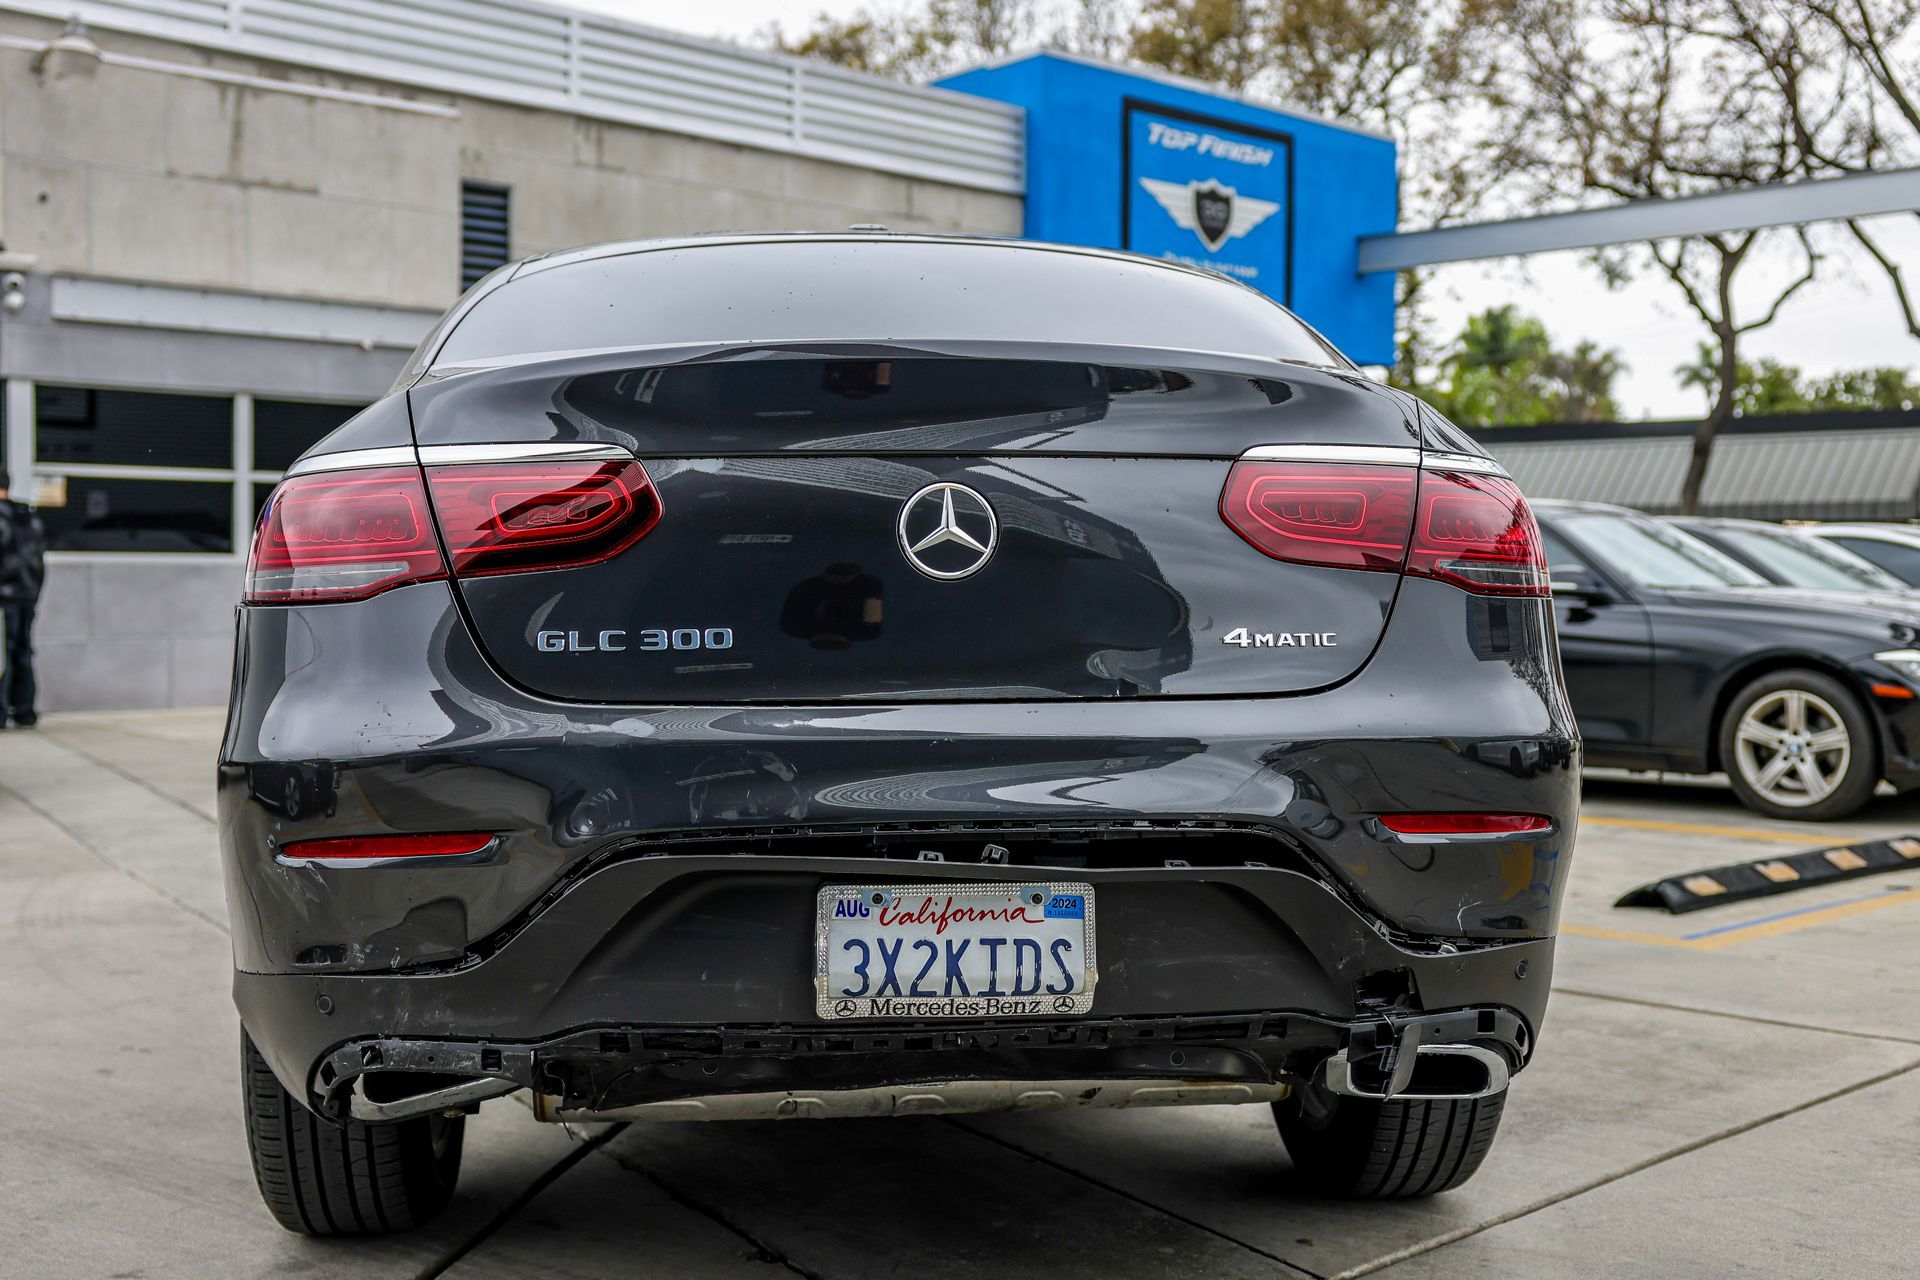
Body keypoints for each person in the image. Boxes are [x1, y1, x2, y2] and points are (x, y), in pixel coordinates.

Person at [0, 469, 47, 729]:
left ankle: (1, 712)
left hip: (4, 597)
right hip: (27, 596)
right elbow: (39, 563)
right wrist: (34, 593)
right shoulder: (29, 519)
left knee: (2, 654)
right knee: (22, 652)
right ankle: (25, 711)